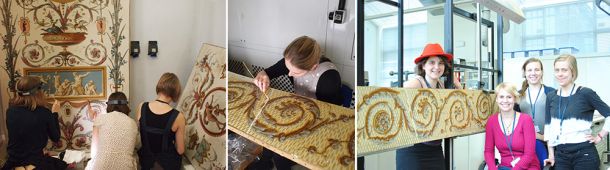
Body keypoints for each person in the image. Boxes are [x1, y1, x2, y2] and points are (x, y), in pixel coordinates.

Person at [396, 43, 461, 170]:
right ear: (423, 65)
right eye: (432, 62)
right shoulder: (416, 82)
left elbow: (463, 102)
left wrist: (457, 83)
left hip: (435, 148)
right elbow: (396, 100)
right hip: (412, 149)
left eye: (441, 63)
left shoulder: (442, 86)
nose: (437, 67)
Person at [543, 54, 610, 170]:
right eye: (557, 70)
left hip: (584, 154)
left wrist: (599, 136)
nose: (560, 74)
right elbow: (549, 128)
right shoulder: (551, 96)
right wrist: (551, 154)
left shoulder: (586, 93)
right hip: (561, 155)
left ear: (573, 72)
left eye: (564, 70)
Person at [253, 35, 343, 105]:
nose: (289, 74)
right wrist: (262, 75)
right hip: (302, 104)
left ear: (313, 67)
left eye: (296, 72)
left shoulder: (329, 78)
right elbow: (268, 72)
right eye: (287, 68)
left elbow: (329, 109)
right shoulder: (291, 61)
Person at [2, 76, 67, 170]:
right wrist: (55, 113)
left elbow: (23, 137)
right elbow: (56, 138)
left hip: (13, 163)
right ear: (38, 93)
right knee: (63, 165)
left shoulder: (10, 112)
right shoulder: (44, 113)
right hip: (35, 163)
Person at [484, 83, 539, 170]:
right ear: (497, 99)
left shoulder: (526, 120)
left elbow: (529, 154)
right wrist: (492, 168)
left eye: (509, 97)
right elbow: (488, 151)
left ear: (515, 99)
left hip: (528, 167)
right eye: (501, 97)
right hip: (504, 167)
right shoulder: (491, 121)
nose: (505, 100)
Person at [137, 72, 186, 170]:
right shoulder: (178, 116)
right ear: (175, 92)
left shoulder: (142, 106)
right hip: (167, 164)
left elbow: (139, 133)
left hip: (145, 162)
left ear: (160, 86)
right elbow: (180, 150)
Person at [514, 58, 555, 169]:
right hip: (526, 143)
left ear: (541, 72)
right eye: (529, 70)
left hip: (549, 143)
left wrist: (542, 137)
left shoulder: (551, 93)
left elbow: (557, 121)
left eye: (537, 70)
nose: (533, 73)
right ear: (525, 73)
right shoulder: (518, 95)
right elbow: (514, 123)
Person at [85, 92, 139, 170]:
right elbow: (134, 145)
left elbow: (94, 152)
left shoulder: (100, 119)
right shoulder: (132, 122)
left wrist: (95, 120)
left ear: (109, 105)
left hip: (101, 167)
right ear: (125, 106)